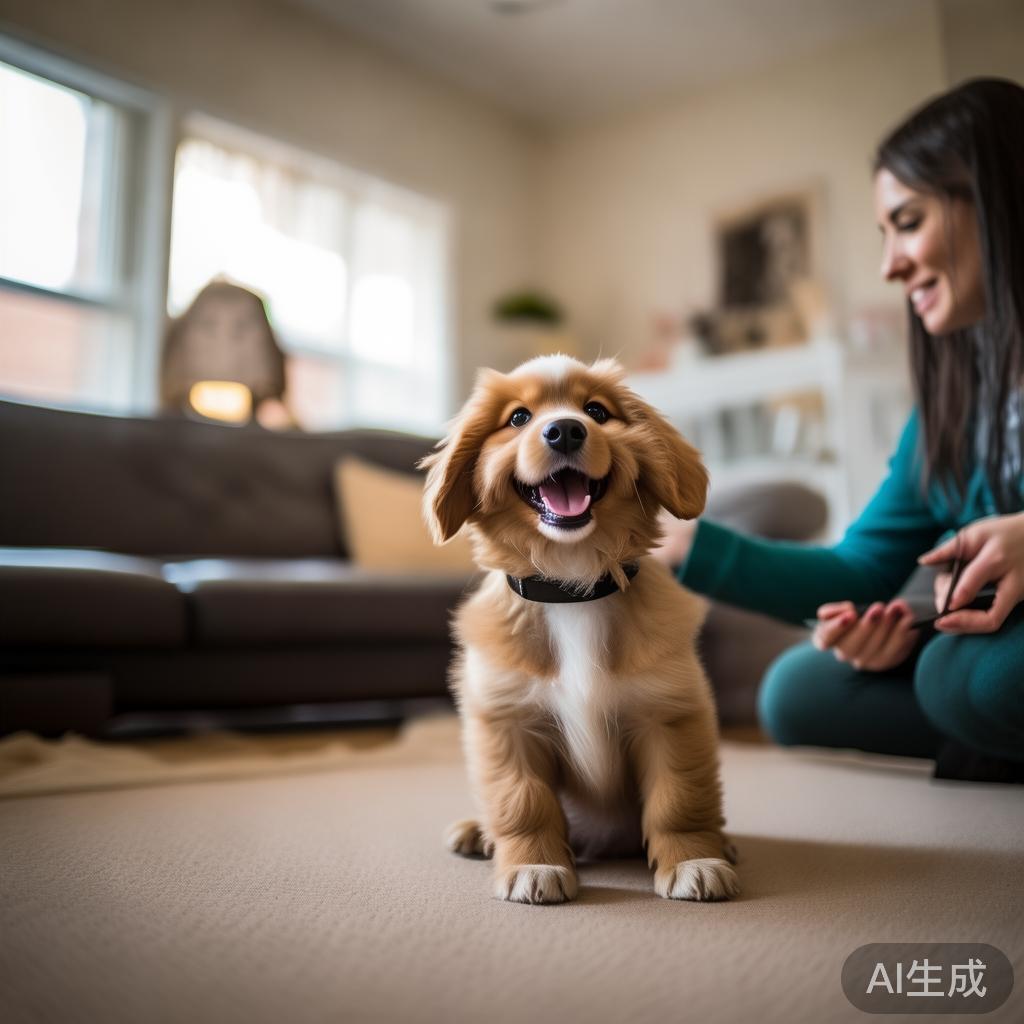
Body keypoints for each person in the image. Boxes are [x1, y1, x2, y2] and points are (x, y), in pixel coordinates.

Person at [654, 78, 1024, 783]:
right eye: (885, 235)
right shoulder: (952, 411)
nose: (890, 266)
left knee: (964, 678)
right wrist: (687, 545)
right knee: (798, 691)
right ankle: (988, 738)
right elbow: (859, 571)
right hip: (984, 654)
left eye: (909, 222)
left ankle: (984, 733)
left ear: (1000, 197)